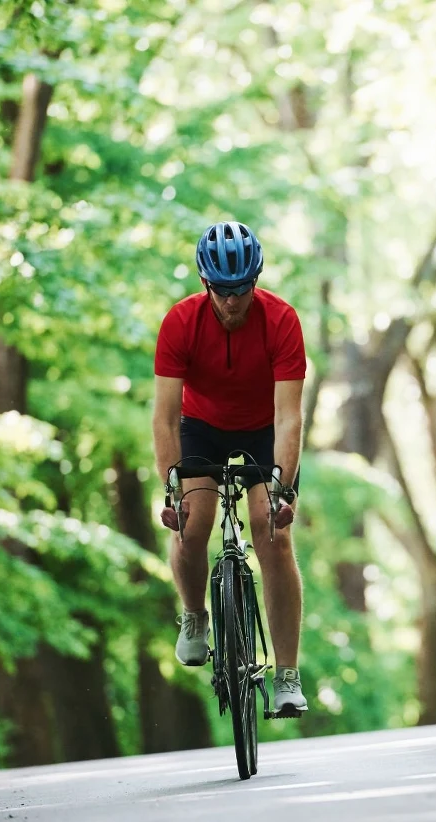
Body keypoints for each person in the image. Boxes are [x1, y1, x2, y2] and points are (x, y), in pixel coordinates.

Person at [152, 220, 309, 717]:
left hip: (265, 428)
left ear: (255, 281)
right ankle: (196, 616)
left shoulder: (282, 321)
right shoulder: (180, 323)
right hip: (201, 426)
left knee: (273, 534)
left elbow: (289, 417)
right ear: (205, 284)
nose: (232, 300)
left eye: (242, 289)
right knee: (194, 523)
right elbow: (163, 417)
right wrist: (171, 488)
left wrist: (281, 491)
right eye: (222, 290)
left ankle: (286, 676)